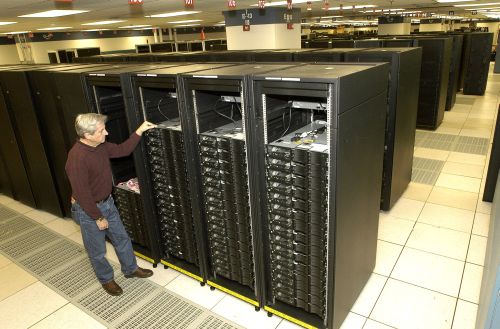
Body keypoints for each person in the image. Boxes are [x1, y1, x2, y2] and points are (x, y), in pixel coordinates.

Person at [65, 113, 157, 296]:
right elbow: (82, 194)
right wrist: (97, 217)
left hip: (107, 203)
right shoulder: (77, 158)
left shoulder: (100, 146)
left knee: (121, 239)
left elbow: (123, 150)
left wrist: (139, 131)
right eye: (101, 131)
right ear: (87, 135)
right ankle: (106, 279)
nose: (106, 133)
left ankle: (130, 269)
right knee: (97, 250)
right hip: (89, 210)